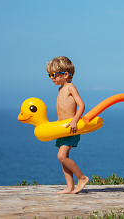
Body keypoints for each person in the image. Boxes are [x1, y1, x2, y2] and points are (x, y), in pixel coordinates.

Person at [46, 56, 90, 194]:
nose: (52, 78)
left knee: (62, 156)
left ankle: (82, 178)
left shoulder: (70, 87)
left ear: (65, 74)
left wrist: (74, 120)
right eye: (49, 75)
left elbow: (81, 105)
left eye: (53, 75)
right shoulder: (60, 90)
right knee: (63, 159)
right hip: (62, 129)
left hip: (71, 128)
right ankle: (70, 187)